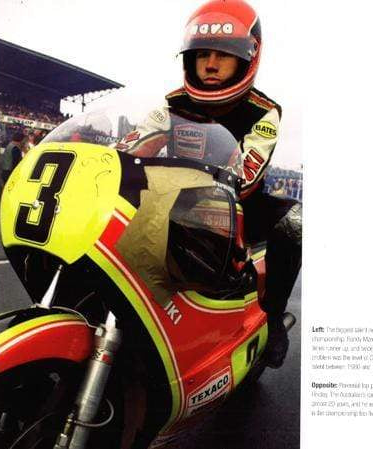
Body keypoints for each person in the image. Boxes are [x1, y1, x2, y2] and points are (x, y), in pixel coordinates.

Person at [118, 0, 301, 368]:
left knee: (295, 222)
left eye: (223, 54)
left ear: (247, 58)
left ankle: (272, 317)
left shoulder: (264, 111)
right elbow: (128, 149)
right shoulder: (171, 105)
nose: (211, 64)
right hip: (169, 200)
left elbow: (247, 176)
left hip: (239, 208)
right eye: (202, 54)